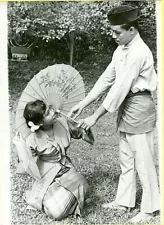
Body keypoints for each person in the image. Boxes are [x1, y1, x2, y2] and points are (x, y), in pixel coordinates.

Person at [68, 4, 160, 223]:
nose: (113, 36)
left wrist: (95, 116)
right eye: (112, 31)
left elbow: (120, 89)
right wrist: (84, 103)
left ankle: (150, 208)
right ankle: (124, 201)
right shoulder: (121, 49)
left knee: (143, 160)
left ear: (132, 30)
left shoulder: (139, 52)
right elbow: (107, 78)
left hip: (139, 106)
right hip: (126, 107)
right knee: (126, 157)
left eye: (117, 32)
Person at [13, 99, 94, 220]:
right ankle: (56, 199)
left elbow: (80, 133)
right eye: (47, 113)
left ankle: (64, 198)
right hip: (47, 175)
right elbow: (27, 166)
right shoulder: (32, 139)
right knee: (57, 213)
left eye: (50, 107)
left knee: (82, 184)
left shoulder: (63, 122)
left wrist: (84, 127)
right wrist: (20, 147)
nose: (54, 111)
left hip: (66, 169)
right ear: (40, 122)